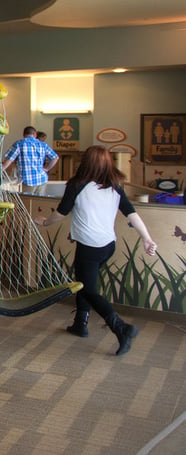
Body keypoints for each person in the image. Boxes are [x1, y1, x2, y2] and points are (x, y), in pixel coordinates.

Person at [35, 145, 156, 355]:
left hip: (89, 247)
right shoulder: (114, 185)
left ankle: (121, 327)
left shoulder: (76, 184)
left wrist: (45, 223)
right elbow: (131, 214)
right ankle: (80, 323)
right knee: (84, 281)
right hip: (108, 245)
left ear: (85, 162)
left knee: (87, 289)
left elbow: (61, 213)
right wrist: (147, 238)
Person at [2, 126, 59, 194]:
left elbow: (9, 160)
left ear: (23, 134)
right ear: (35, 134)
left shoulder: (19, 144)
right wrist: (47, 168)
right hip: (42, 179)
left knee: (27, 203)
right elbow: (55, 157)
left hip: (28, 180)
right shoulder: (43, 145)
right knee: (39, 203)